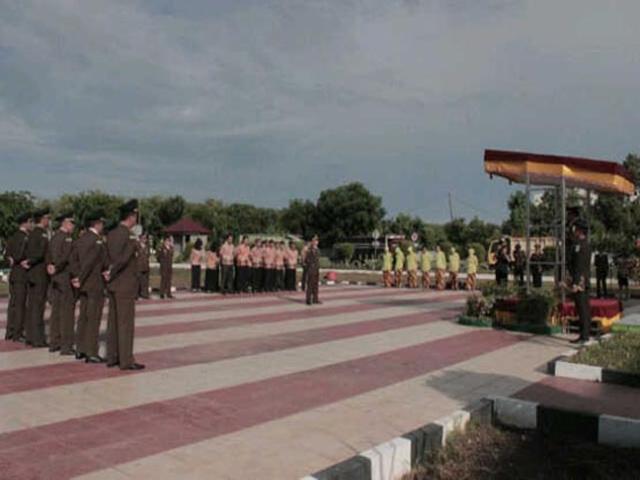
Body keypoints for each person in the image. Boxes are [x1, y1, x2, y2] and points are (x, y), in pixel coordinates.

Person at [106, 199, 145, 370]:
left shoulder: (112, 233)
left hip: (114, 284)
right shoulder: (128, 236)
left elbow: (107, 257)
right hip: (125, 284)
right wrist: (113, 270)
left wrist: (108, 272)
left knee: (113, 323)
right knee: (125, 324)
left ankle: (113, 356)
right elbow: (122, 260)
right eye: (135, 216)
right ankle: (126, 360)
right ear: (131, 216)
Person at [70, 209, 109, 362]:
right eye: (102, 223)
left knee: (83, 317)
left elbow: (73, 260)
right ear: (96, 223)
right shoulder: (96, 240)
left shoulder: (80, 239)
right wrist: (80, 277)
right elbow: (90, 262)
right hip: (94, 283)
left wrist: (75, 277)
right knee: (93, 318)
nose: (103, 226)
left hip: (83, 284)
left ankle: (80, 349)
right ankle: (91, 352)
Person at [47, 211, 76, 354]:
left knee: (56, 312)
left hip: (55, 279)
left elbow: (48, 255)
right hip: (64, 277)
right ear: (65, 222)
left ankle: (54, 342)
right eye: (72, 223)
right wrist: (57, 267)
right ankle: (66, 345)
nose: (74, 226)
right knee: (67, 313)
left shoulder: (54, 237)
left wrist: (50, 266)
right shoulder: (67, 238)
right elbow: (65, 257)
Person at [25, 208, 51, 347]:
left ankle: (30, 336)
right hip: (40, 274)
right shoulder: (42, 234)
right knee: (38, 307)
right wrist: (31, 261)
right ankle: (37, 338)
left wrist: (28, 261)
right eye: (47, 218)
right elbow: (41, 253)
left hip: (31, 274)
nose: (49, 221)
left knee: (32, 306)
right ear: (43, 219)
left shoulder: (31, 234)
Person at [4, 212, 32, 342]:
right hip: (22, 274)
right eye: (30, 222)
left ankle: (10, 330)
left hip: (14, 274)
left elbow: (7, 256)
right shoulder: (25, 238)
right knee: (20, 304)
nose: (31, 225)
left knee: (13, 304)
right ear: (25, 223)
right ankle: (18, 332)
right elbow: (19, 254)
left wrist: (12, 260)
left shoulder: (12, 237)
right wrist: (21, 260)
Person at [566, 219, 592, 344]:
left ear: (580, 231)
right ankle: (584, 335)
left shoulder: (581, 245)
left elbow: (579, 266)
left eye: (575, 229)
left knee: (582, 309)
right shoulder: (581, 244)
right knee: (582, 308)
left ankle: (584, 336)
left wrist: (576, 282)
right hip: (581, 279)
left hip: (580, 281)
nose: (574, 231)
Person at [305, 235, 320, 305]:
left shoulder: (317, 250)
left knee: (315, 285)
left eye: (317, 241)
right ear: (312, 242)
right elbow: (306, 260)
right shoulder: (309, 250)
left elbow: (317, 260)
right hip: (311, 269)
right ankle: (308, 299)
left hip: (316, 269)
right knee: (310, 285)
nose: (316, 242)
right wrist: (311, 264)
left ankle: (315, 299)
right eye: (314, 240)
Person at [136, 233, 150, 299]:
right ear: (140, 238)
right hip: (138, 266)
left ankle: (144, 294)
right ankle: (136, 294)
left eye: (145, 238)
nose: (144, 239)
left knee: (145, 281)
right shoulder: (137, 246)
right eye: (143, 238)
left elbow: (148, 255)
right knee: (137, 281)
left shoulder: (147, 246)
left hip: (145, 266)